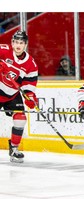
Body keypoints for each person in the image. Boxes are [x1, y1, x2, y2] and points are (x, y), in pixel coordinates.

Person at [0, 30, 39, 163]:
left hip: (12, 95)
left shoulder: (31, 64)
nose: (18, 45)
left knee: (20, 118)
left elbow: (29, 86)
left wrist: (31, 97)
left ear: (26, 45)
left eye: (21, 43)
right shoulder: (3, 50)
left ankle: (14, 149)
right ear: (12, 43)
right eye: (16, 42)